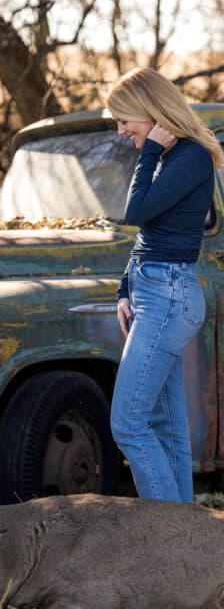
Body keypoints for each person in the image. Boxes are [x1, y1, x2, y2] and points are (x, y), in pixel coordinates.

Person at [107, 68, 224, 502]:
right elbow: (149, 235)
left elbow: (136, 211)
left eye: (125, 120)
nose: (122, 131)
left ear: (150, 111)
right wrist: (124, 289)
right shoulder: (175, 157)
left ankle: (167, 538)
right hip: (154, 291)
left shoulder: (189, 156)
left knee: (128, 423)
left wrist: (151, 150)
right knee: (165, 426)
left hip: (169, 296)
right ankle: (185, 543)